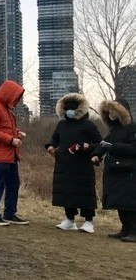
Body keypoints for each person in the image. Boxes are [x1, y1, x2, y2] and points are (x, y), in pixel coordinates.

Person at [43, 93, 102, 233]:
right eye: (66, 108)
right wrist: (50, 145)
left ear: (79, 110)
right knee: (66, 191)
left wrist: (84, 146)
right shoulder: (62, 124)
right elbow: (54, 138)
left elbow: (99, 144)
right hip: (63, 163)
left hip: (82, 165)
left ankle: (88, 221)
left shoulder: (88, 125)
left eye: (72, 108)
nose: (69, 111)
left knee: (85, 192)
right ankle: (69, 219)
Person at [0, 80, 30, 226]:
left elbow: (4, 128)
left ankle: (9, 214)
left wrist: (17, 132)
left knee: (13, 184)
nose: (17, 101)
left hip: (10, 156)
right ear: (8, 94)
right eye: (16, 97)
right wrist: (12, 140)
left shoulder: (4, 109)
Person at [93, 99, 136, 242]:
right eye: (109, 112)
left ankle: (134, 231)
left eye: (113, 111)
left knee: (129, 202)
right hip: (115, 170)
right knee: (119, 201)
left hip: (129, 171)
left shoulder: (132, 128)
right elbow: (104, 143)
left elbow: (133, 149)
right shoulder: (115, 130)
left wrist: (113, 146)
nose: (111, 115)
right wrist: (96, 154)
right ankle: (125, 229)